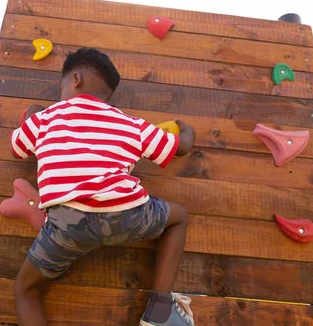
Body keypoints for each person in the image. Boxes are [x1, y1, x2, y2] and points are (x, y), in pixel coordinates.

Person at [10, 47, 197, 326]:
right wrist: (187, 131)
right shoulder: (130, 123)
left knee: (25, 291)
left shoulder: (46, 118)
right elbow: (180, 148)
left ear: (74, 79)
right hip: (125, 214)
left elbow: (17, 148)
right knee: (178, 217)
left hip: (66, 225)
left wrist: (33, 114)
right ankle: (160, 309)